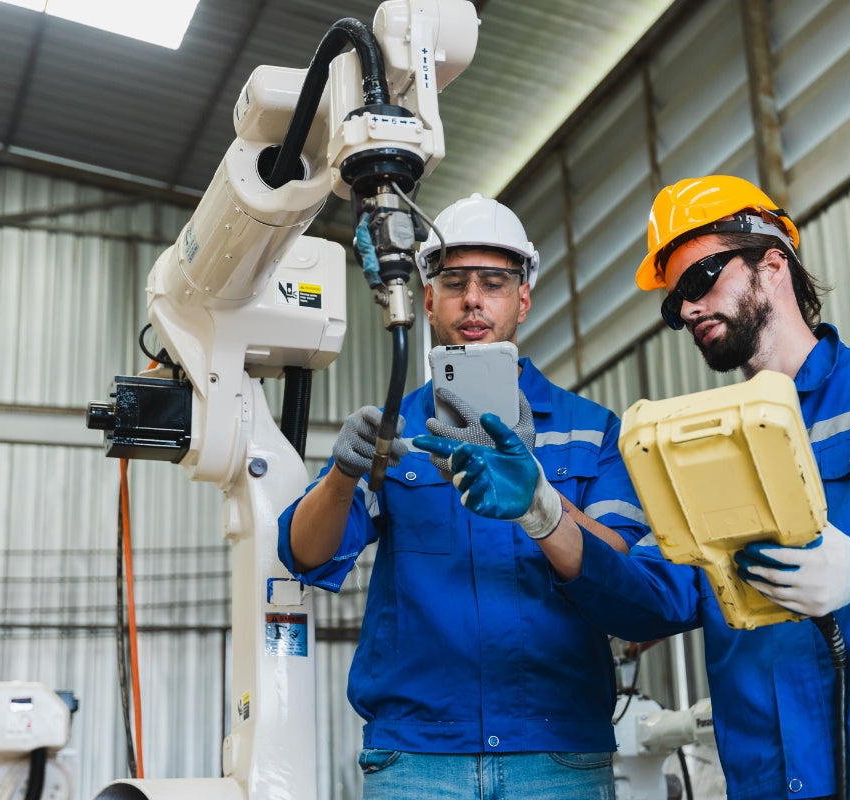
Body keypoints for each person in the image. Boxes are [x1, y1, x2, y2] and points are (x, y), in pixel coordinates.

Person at [415, 176, 850, 800]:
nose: (688, 308)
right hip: (767, 780)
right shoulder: (697, 444)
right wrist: (545, 513)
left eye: (700, 279)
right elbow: (653, 599)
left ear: (772, 264)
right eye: (675, 304)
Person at [277, 193, 649, 799]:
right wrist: (343, 473)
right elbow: (308, 554)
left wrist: (540, 497)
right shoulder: (395, 431)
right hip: (419, 759)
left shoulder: (590, 429)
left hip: (557, 755)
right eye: (454, 281)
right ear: (426, 297)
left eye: (494, 282)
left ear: (522, 298)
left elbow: (626, 571)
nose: (473, 299)